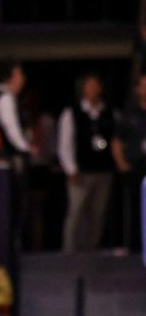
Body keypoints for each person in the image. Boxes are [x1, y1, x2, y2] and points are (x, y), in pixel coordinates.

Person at [58, 73, 116, 252]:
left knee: (98, 214)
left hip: (103, 171)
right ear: (83, 89)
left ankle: (91, 250)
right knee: (76, 213)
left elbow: (115, 140)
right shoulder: (71, 113)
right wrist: (71, 169)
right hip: (81, 172)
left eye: (95, 85)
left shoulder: (108, 112)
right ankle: (69, 252)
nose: (92, 89)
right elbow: (64, 144)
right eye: (89, 85)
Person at [113, 72, 146, 251]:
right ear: (137, 89)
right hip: (136, 167)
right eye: (143, 85)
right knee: (134, 208)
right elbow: (117, 142)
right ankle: (133, 245)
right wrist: (122, 166)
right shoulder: (129, 114)